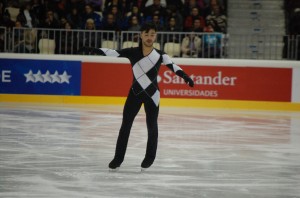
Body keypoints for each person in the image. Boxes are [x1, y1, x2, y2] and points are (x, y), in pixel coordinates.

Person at [79, 22, 194, 171]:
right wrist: (92, 49)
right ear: (141, 35)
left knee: (152, 127)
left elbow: (174, 66)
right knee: (125, 126)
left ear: (155, 36)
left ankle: (149, 158)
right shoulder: (132, 52)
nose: (149, 37)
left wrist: (186, 77)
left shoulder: (160, 55)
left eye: (152, 34)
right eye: (146, 34)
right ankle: (118, 158)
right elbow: (112, 52)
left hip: (153, 95)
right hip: (135, 94)